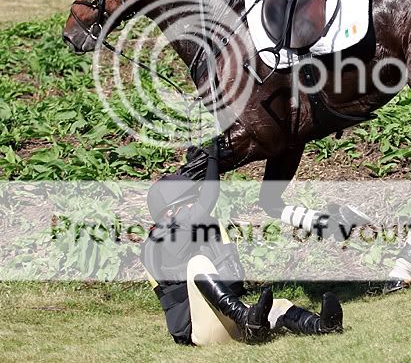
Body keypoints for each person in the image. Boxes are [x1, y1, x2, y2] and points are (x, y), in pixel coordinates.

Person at [141, 138, 343, 345]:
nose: (194, 206)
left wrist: (199, 163)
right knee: (197, 264)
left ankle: (322, 325)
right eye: (189, 203)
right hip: (199, 330)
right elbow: (209, 196)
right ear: (169, 213)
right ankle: (246, 320)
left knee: (280, 306)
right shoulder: (163, 238)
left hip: (225, 320)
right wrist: (212, 158)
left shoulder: (185, 231)